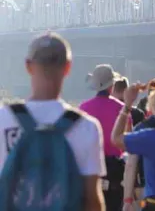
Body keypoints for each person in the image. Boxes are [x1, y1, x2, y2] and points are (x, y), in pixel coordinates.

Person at [0, 33, 105, 211]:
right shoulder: (86, 126)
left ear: (28, 66)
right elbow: (92, 200)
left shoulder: (3, 118)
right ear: (67, 67)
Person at [80, 64, 124, 211]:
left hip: (90, 168)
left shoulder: (83, 108)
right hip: (115, 169)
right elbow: (126, 142)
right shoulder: (121, 109)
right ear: (112, 85)